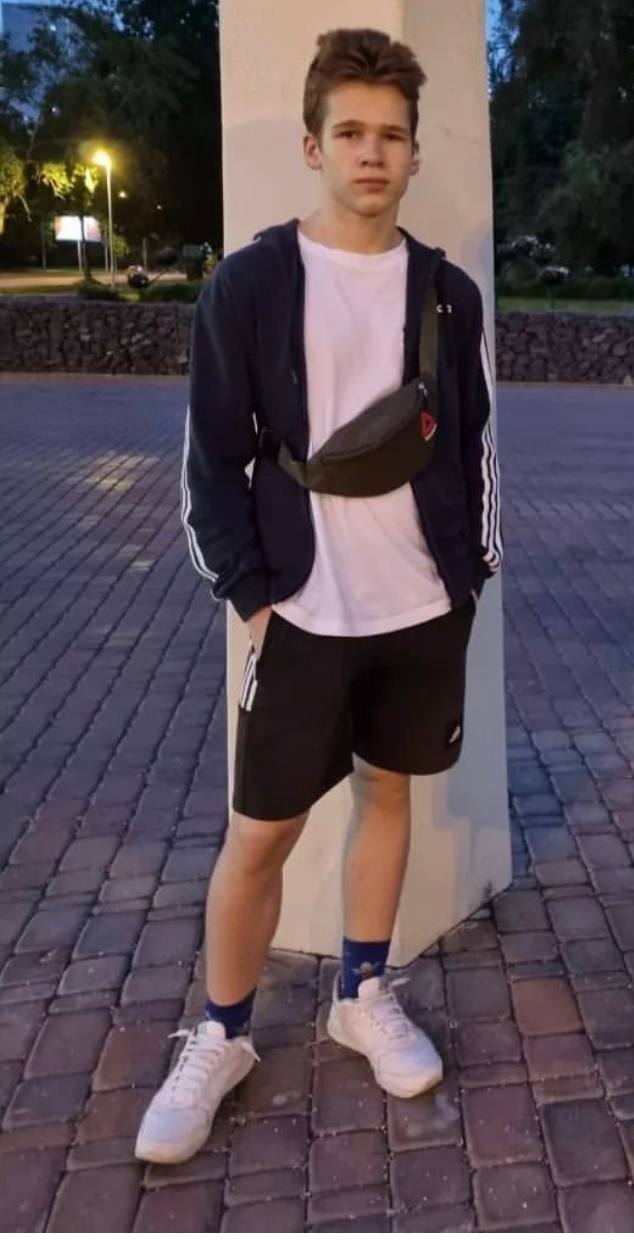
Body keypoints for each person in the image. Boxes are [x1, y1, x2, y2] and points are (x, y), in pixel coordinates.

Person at [136, 27, 501, 1165]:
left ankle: (361, 991)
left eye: (391, 135)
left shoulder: (448, 294)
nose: (372, 153)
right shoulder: (248, 286)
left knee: (389, 793)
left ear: (414, 151)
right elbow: (210, 460)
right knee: (261, 832)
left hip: (418, 608)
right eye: (350, 132)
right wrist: (254, 600)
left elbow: (473, 446)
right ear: (314, 146)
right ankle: (222, 1032)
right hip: (301, 610)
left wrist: (468, 582)